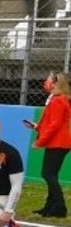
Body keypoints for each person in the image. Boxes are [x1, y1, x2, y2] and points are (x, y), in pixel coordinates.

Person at [29, 73, 71, 218]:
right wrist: (37, 127)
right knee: (50, 174)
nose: (46, 83)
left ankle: (59, 207)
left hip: (58, 142)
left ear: (56, 84)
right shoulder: (59, 99)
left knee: (48, 174)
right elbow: (53, 123)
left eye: (49, 81)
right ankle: (51, 207)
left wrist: (40, 142)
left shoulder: (58, 100)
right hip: (59, 142)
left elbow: (55, 125)